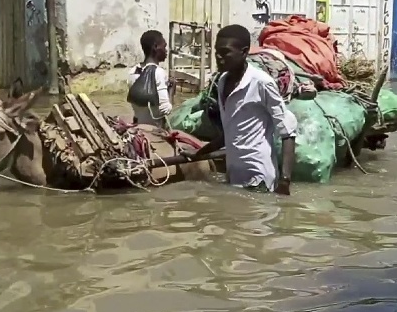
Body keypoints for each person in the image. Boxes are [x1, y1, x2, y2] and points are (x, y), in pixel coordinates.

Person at [187, 24, 297, 195]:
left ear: (244, 52)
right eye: (216, 52)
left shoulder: (261, 83)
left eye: (225, 52)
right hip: (234, 175)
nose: (218, 57)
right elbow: (230, 133)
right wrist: (199, 153)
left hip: (259, 177)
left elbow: (288, 132)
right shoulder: (222, 82)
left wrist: (285, 181)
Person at [127, 30, 175, 128]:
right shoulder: (159, 73)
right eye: (164, 46)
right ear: (155, 47)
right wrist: (171, 91)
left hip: (138, 126)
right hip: (153, 128)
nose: (166, 50)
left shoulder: (132, 71)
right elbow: (165, 110)